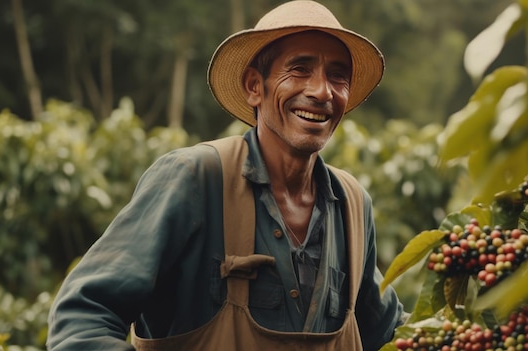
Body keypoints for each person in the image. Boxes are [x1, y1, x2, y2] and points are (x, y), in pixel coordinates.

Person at [46, 1, 405, 350]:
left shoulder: (352, 206)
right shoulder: (194, 179)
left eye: (337, 75)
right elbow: (81, 317)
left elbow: (389, 334)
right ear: (254, 86)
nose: (321, 90)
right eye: (299, 69)